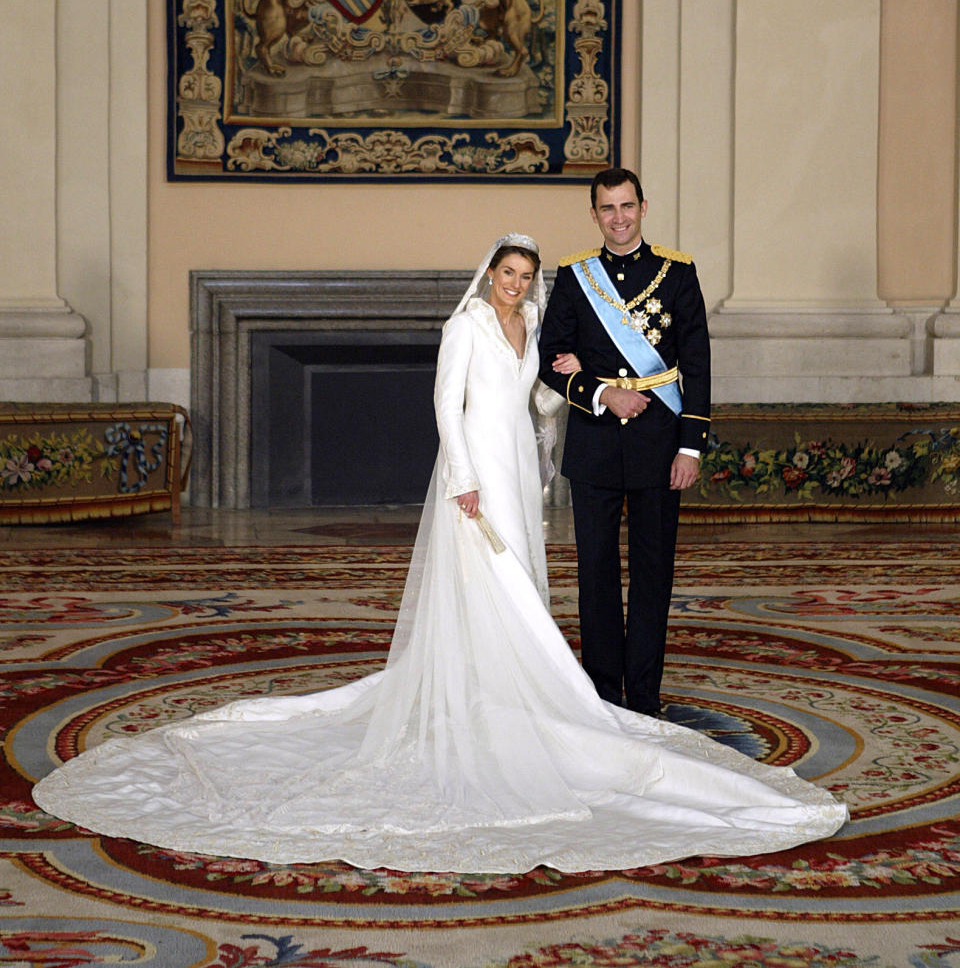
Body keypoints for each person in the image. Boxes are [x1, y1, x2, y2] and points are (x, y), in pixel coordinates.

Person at [32, 234, 846, 874]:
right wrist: (461, 478)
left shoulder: (528, 326)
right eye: (508, 272)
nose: (516, 284)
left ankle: (512, 694)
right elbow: (445, 406)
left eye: (527, 275)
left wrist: (568, 383)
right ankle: (490, 695)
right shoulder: (461, 325)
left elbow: (533, 397)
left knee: (523, 578)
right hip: (477, 474)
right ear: (489, 271)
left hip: (520, 468)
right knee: (489, 586)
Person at [538, 169, 710, 718]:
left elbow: (698, 363)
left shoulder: (676, 273)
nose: (619, 217)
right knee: (596, 575)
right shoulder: (574, 275)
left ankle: (645, 694)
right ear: (594, 214)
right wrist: (602, 392)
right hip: (593, 444)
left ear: (642, 207)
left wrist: (691, 447)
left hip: (661, 443)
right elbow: (549, 359)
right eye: (608, 208)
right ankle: (604, 696)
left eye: (627, 206)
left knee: (654, 572)